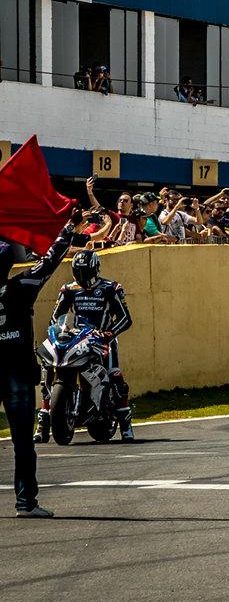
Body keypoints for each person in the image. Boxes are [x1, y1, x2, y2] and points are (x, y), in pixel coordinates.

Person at [3, 211, 84, 517]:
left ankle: (27, 503)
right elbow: (49, 262)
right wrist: (67, 230)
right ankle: (25, 503)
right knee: (23, 442)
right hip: (18, 376)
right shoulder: (21, 285)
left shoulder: (20, 286)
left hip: (12, 373)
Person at [36, 250, 135, 442]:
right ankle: (43, 425)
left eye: (85, 272)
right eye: (78, 272)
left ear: (95, 269)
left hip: (103, 340)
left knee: (115, 375)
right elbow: (56, 317)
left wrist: (109, 333)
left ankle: (125, 426)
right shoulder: (68, 289)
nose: (82, 277)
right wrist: (60, 331)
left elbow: (125, 318)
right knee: (48, 369)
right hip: (76, 339)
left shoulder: (111, 288)